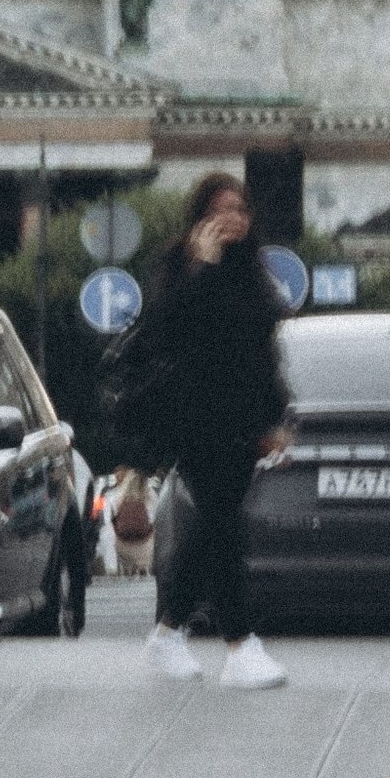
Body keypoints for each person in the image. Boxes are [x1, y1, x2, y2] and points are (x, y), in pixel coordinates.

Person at [132, 172, 291, 690]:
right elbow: (162, 333)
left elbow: (262, 355)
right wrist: (202, 269)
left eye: (241, 209)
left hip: (242, 422)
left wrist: (276, 418)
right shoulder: (179, 265)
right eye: (221, 209)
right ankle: (240, 644)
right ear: (200, 215)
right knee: (223, 527)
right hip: (195, 420)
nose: (232, 219)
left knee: (211, 528)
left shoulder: (254, 273)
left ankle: (168, 633)